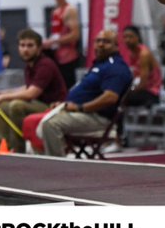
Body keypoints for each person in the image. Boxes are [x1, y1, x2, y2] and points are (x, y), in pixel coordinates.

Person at [30, 29, 133, 157]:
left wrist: (80, 108)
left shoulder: (115, 68)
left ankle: (56, 166)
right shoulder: (100, 65)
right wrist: (64, 105)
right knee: (32, 121)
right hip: (80, 113)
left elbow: (110, 98)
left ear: (116, 46)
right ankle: (41, 162)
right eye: (98, 41)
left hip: (97, 118)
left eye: (106, 42)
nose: (100, 44)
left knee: (51, 124)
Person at [0, 29, 68, 153]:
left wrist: (3, 97)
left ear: (39, 48)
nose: (25, 49)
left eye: (30, 45)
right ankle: (4, 146)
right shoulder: (30, 65)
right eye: (22, 45)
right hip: (38, 104)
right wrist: (2, 94)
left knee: (16, 105)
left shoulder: (45, 65)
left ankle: (19, 150)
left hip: (54, 107)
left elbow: (31, 93)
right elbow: (27, 87)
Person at [43, 0, 81, 89]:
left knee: (68, 88)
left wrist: (53, 41)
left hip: (68, 58)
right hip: (56, 56)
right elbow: (56, 33)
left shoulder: (70, 10)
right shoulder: (55, 11)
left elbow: (75, 35)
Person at [120, 26, 162, 108]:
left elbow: (143, 84)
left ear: (137, 37)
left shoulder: (144, 54)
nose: (127, 40)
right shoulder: (131, 54)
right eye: (125, 37)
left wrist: (128, 92)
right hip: (141, 91)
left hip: (150, 94)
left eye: (130, 36)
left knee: (118, 97)